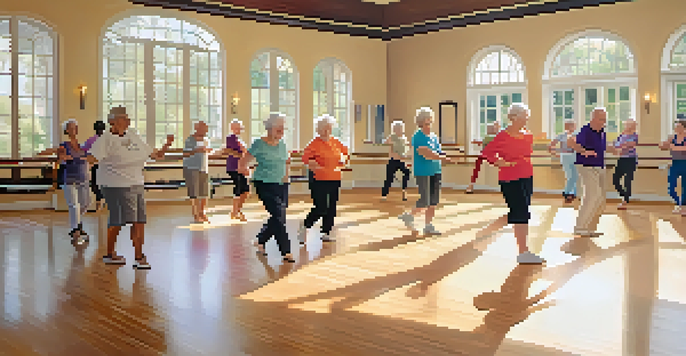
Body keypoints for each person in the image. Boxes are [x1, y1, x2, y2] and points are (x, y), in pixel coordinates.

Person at [89, 106, 174, 269]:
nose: (127, 120)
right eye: (123, 118)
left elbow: (156, 155)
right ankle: (110, 254)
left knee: (139, 220)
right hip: (114, 184)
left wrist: (167, 145)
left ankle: (139, 257)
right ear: (112, 121)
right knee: (118, 221)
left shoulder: (134, 136)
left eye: (128, 117)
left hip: (136, 183)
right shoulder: (105, 139)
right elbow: (91, 159)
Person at [481, 103, 545, 264]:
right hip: (509, 178)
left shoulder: (527, 135)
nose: (526, 119)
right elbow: (487, 152)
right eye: (524, 116)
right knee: (521, 212)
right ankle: (523, 252)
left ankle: (492, 230)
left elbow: (527, 153)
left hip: (526, 176)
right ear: (514, 117)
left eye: (527, 116)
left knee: (521, 211)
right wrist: (498, 162)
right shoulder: (503, 135)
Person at [237, 113, 293, 263]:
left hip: (282, 184)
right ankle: (286, 251)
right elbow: (243, 162)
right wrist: (244, 171)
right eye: (278, 126)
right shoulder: (258, 144)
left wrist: (287, 178)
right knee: (278, 215)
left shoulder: (282, 144)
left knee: (278, 216)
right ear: (269, 127)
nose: (281, 129)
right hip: (264, 183)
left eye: (283, 127)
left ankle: (260, 240)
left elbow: (286, 162)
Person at [398, 107, 450, 235]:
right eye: (426, 122)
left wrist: (446, 155)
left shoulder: (433, 136)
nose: (429, 125)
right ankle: (408, 216)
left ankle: (428, 226)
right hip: (423, 172)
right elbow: (426, 153)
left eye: (430, 122)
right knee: (424, 202)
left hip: (435, 171)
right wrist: (443, 158)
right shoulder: (418, 136)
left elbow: (437, 151)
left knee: (433, 202)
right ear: (421, 122)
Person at [299, 115, 349, 243]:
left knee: (332, 207)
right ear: (318, 129)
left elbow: (345, 153)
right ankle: (305, 226)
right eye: (324, 128)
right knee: (321, 207)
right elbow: (305, 158)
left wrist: (343, 161)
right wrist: (312, 163)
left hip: (334, 177)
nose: (327, 130)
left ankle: (326, 231)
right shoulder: (314, 144)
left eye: (329, 128)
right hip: (318, 178)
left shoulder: (335, 142)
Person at [567, 108, 607, 238]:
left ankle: (588, 227)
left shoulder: (601, 131)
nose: (603, 122)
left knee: (599, 198)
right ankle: (580, 227)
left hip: (598, 166)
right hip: (586, 166)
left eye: (605, 119)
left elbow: (603, 147)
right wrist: (584, 151)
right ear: (593, 118)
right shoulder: (584, 130)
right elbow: (570, 142)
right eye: (601, 119)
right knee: (593, 196)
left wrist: (616, 149)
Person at [58, 118, 96, 241]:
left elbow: (90, 159)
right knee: (74, 205)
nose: (75, 129)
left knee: (86, 203)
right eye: (72, 127)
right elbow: (61, 158)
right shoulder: (64, 144)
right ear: (67, 130)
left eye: (76, 127)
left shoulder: (82, 145)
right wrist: (65, 158)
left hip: (83, 177)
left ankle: (77, 223)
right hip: (69, 178)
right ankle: (76, 230)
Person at [183, 121, 212, 223]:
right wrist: (196, 150)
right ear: (197, 128)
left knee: (204, 192)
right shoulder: (190, 140)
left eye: (206, 129)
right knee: (194, 192)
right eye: (203, 129)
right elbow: (186, 153)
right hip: (191, 168)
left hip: (204, 168)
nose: (205, 131)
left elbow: (207, 152)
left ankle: (202, 212)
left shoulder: (206, 140)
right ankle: (196, 214)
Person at [224, 119, 250, 222]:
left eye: (239, 127)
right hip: (234, 167)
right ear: (232, 128)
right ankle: (235, 212)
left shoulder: (239, 139)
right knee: (239, 188)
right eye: (236, 127)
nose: (238, 129)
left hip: (241, 167)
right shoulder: (230, 138)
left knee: (246, 190)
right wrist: (242, 156)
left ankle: (237, 210)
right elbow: (229, 150)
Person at [609, 119, 638, 210]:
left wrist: (621, 146)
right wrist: (618, 147)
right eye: (626, 124)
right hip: (622, 159)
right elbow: (616, 145)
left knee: (627, 180)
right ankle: (624, 194)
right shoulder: (621, 135)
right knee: (615, 179)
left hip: (630, 160)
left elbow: (630, 144)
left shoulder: (634, 135)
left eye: (628, 125)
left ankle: (625, 200)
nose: (626, 126)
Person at [659, 119, 686, 215]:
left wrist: (672, 146)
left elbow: (682, 148)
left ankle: (683, 207)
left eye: (679, 126)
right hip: (675, 163)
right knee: (671, 187)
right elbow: (662, 146)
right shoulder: (672, 138)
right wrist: (664, 143)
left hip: (685, 163)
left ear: (684, 128)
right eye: (675, 127)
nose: (677, 128)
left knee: (685, 187)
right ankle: (679, 204)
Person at [548, 119, 578, 204]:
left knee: (575, 176)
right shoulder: (562, 136)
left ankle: (573, 193)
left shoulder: (577, 135)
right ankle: (567, 193)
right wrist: (555, 153)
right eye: (569, 126)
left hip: (575, 156)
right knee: (570, 175)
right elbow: (551, 145)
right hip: (565, 157)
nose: (571, 127)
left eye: (572, 125)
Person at [466, 121, 500, 194]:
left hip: (491, 154)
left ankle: (471, 185)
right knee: (477, 165)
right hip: (487, 154)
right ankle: (471, 185)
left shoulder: (497, 136)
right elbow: (485, 142)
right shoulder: (489, 137)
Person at [381, 120, 411, 201]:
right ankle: (384, 195)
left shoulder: (404, 138)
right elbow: (385, 143)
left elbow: (406, 148)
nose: (399, 130)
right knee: (389, 178)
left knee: (407, 172)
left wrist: (406, 156)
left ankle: (404, 191)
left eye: (400, 128)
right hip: (393, 161)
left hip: (401, 161)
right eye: (397, 128)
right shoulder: (391, 137)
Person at [82, 120, 106, 211]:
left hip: (97, 165)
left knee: (96, 184)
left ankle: (99, 201)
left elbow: (85, 151)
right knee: (102, 183)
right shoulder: (106, 140)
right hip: (104, 165)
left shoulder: (91, 140)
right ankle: (101, 201)